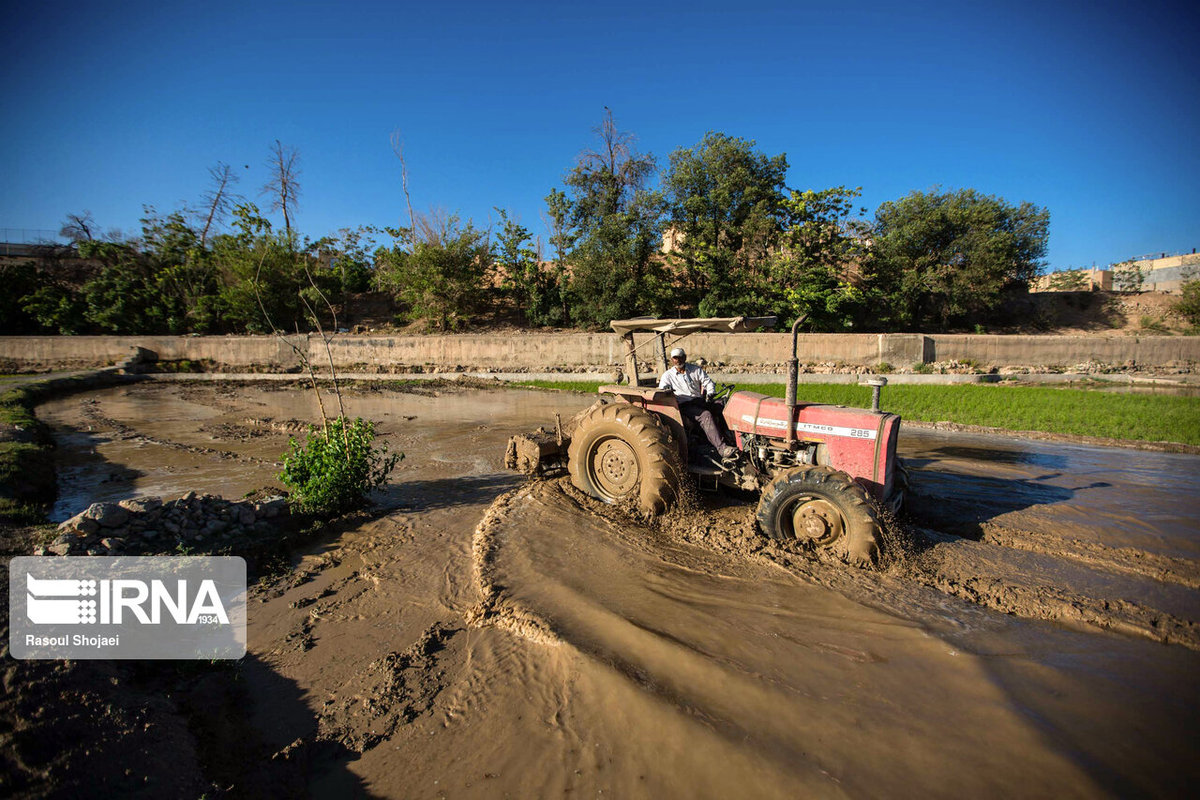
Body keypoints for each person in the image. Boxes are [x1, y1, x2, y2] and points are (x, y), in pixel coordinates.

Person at [658, 347, 737, 460]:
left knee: (722, 405)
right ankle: (722, 448)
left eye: (680, 357)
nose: (678, 360)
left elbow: (708, 382)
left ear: (685, 357)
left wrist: (710, 392)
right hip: (684, 405)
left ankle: (732, 438)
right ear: (672, 360)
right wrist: (667, 389)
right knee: (705, 415)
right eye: (675, 358)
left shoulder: (695, 370)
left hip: (698, 401)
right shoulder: (668, 376)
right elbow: (662, 391)